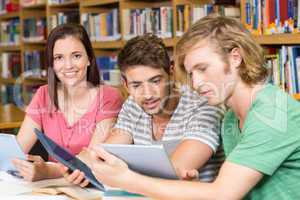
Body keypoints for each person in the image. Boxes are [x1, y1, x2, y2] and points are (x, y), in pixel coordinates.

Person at [86, 15, 300, 200]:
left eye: (203, 68)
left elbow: (223, 194)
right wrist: (194, 188)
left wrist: (128, 179)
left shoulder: (272, 112)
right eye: (191, 73)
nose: (196, 84)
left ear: (235, 57)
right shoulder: (231, 118)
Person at [60, 33, 224, 186]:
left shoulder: (204, 107)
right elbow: (105, 154)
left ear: (171, 72)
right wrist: (79, 164)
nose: (147, 95)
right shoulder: (133, 105)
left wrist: (114, 171)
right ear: (125, 84)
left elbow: (175, 171)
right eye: (136, 85)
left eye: (155, 81)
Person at [12, 24, 123, 182]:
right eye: (59, 58)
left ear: (89, 59)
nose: (68, 65)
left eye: (76, 56)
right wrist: (28, 166)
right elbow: (16, 151)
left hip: (92, 187)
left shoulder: (109, 97)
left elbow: (93, 158)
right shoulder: (43, 94)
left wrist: (49, 170)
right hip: (50, 189)